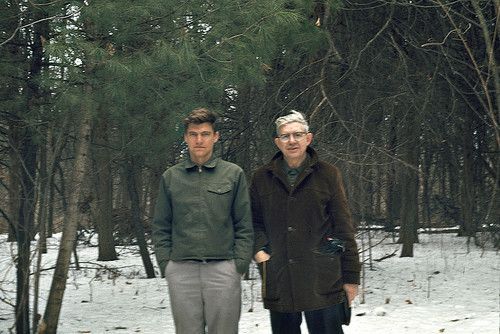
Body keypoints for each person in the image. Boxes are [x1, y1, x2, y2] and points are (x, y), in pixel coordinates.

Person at [250, 110, 361, 334]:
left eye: (297, 135)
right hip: (280, 277)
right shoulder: (261, 178)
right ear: (277, 142)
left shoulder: (328, 174)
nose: (292, 141)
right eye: (285, 136)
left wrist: (350, 277)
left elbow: (343, 226)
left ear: (308, 138)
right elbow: (253, 222)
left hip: (322, 278)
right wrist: (260, 250)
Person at [152, 107, 254, 334]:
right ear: (186, 137)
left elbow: (244, 225)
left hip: (223, 268)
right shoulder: (171, 177)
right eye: (194, 134)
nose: (199, 140)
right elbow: (160, 226)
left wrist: (238, 265)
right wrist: (166, 265)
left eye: (205, 134)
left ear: (215, 137)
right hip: (181, 270)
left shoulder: (233, 174)